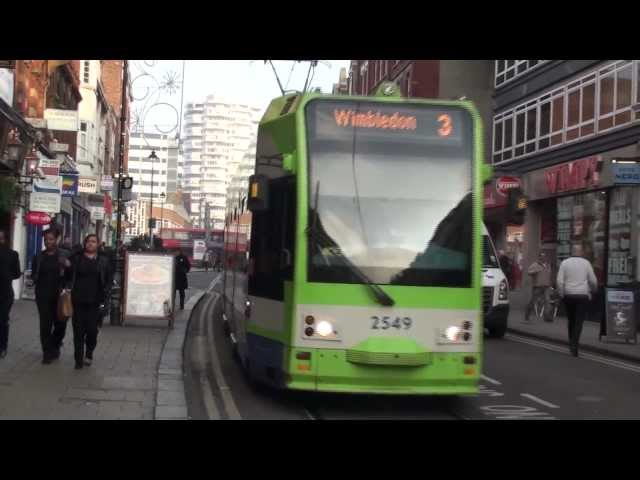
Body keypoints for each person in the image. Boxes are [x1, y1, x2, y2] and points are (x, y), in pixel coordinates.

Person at [63, 234, 112, 369]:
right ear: (84, 243)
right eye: (88, 241)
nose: (90, 244)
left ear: (98, 244)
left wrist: (106, 296)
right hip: (77, 301)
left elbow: (108, 280)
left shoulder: (103, 261)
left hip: (95, 302)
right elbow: (68, 277)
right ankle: (78, 360)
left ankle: (89, 353)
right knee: (78, 332)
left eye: (93, 242)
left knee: (92, 332)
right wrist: (67, 267)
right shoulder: (76, 258)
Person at [31, 227, 69, 364]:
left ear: (57, 239)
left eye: (51, 239)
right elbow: (34, 274)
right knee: (45, 325)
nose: (48, 242)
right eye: (46, 239)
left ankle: (55, 344)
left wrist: (68, 266)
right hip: (43, 295)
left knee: (61, 324)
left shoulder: (64, 255)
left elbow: (71, 275)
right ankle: (47, 352)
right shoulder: (39, 257)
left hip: (60, 296)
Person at [556, 244, 598, 357]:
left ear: (572, 251)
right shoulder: (586, 263)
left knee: (571, 320)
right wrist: (593, 290)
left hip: (569, 295)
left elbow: (559, 281)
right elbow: (593, 281)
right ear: (581, 252)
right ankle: (575, 345)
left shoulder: (565, 263)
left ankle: (571, 342)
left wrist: (561, 294)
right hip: (582, 296)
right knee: (579, 322)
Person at [0, 230, 21, 359]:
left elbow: (17, 273)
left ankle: (2, 346)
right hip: (6, 291)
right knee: (2, 320)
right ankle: (2, 346)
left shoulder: (13, 254)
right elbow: (17, 274)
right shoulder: (12, 254)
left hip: (5, 294)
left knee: (2, 320)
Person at [524, 251, 553, 322]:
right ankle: (527, 315)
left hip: (546, 286)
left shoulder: (548, 265)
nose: (543, 258)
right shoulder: (535, 264)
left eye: (544, 256)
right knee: (533, 301)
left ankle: (547, 317)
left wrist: (550, 284)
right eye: (541, 256)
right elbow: (528, 272)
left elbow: (549, 275)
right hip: (537, 286)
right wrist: (535, 271)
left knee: (547, 301)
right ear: (539, 257)